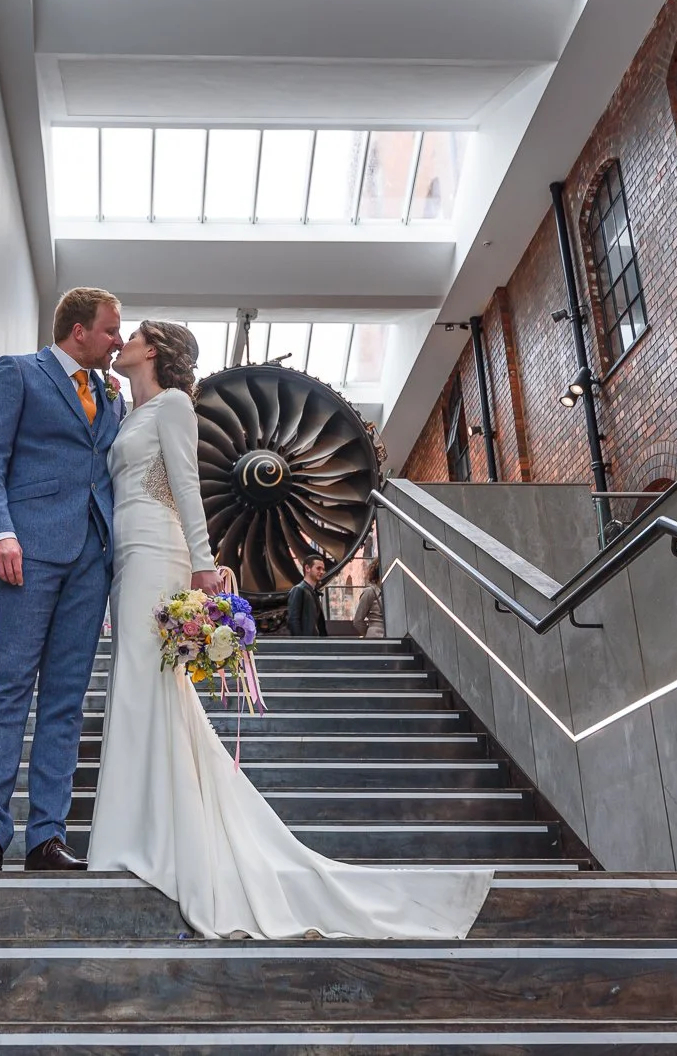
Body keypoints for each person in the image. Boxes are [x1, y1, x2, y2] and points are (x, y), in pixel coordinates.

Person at [86, 319, 493, 939]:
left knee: (148, 683)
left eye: (134, 334)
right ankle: (139, 829)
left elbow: (188, 485)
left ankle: (148, 838)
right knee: (137, 686)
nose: (124, 342)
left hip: (158, 553)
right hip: (126, 558)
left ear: (156, 350)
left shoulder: (173, 406)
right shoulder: (126, 412)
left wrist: (202, 564)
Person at [0, 287, 127, 873]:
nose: (118, 340)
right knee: (9, 687)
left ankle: (48, 835)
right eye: (110, 330)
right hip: (26, 552)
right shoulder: (18, 373)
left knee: (67, 701)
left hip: (92, 558)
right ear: (78, 330)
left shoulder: (112, 395)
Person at [285, 553, 330, 636]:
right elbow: (293, 620)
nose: (322, 572)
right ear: (307, 568)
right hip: (306, 642)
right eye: (318, 568)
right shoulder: (298, 590)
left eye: (323, 569)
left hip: (314, 641)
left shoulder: (314, 592)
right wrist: (302, 642)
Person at [354, 559, 386, 638]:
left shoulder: (391, 592)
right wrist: (370, 634)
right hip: (376, 635)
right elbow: (358, 620)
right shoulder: (370, 592)